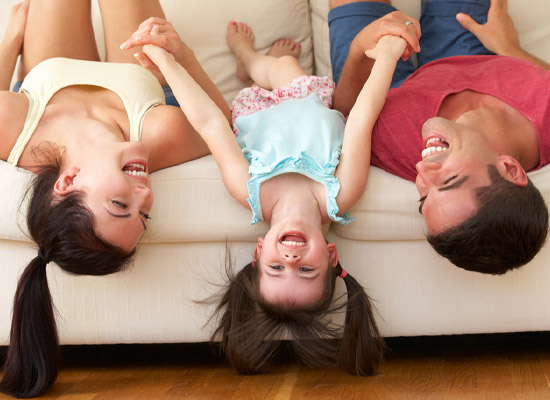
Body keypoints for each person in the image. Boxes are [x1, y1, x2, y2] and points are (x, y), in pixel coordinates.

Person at [133, 21, 406, 375]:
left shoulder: (250, 192)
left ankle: (249, 60)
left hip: (253, 111)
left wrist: (168, 64)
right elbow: (361, 119)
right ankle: (262, 61)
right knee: (287, 71)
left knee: (277, 71)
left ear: (260, 251)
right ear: (330, 254)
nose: (291, 257)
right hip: (306, 97)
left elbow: (211, 124)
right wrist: (386, 57)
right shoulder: (340, 194)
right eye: (305, 270)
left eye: (276, 268)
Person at [0, 0, 229, 397]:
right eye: (144, 216)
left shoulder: (15, 129)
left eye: (121, 205)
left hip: (48, 72)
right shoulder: (158, 135)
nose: (145, 195)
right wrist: (183, 58)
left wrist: (11, 40)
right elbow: (220, 123)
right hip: (132, 80)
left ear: (68, 181)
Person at [328, 0, 550, 274]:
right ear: (509, 169)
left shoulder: (395, 142)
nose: (422, 171)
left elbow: (347, 116)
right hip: (481, 55)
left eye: (424, 198)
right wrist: (509, 48)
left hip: (386, 85)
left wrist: (360, 46)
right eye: (449, 180)